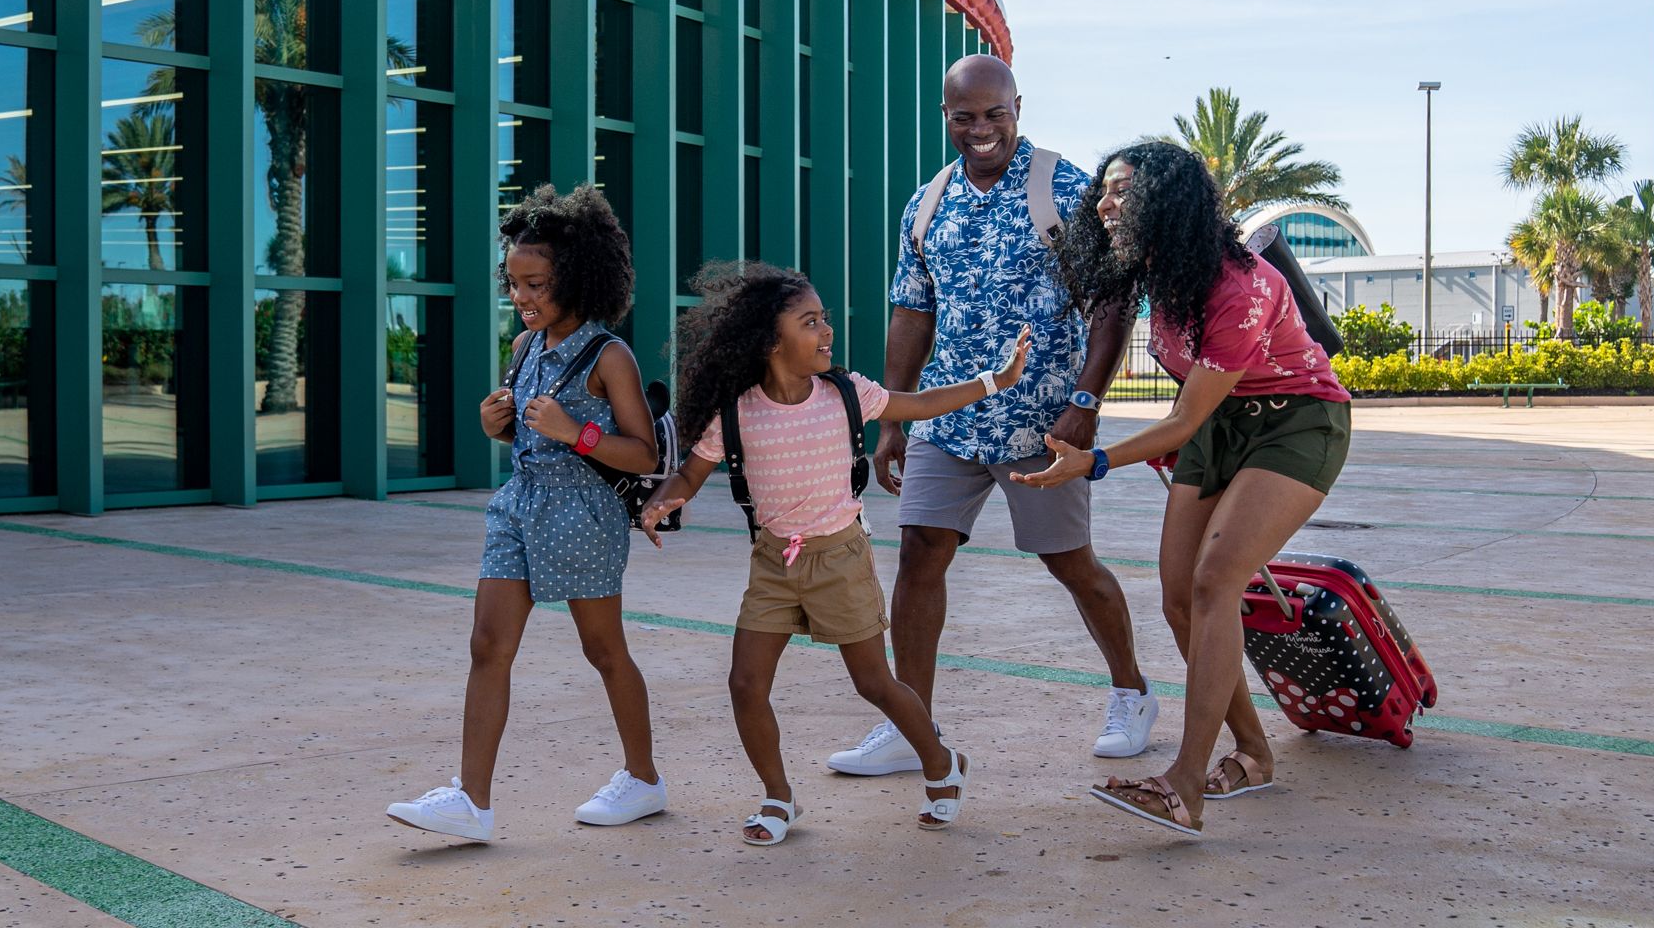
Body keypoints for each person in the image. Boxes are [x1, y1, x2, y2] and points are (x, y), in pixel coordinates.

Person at [1013, 141, 1354, 839]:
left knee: (1214, 583)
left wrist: (1095, 461)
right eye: (1104, 193)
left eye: (1121, 193)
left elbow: (1180, 418)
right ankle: (1254, 753)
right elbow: (1193, 409)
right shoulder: (1154, 272)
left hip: (1297, 424)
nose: (1104, 205)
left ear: (1166, 204)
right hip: (1221, 428)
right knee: (1177, 599)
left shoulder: (1242, 285)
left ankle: (1185, 784)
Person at [830, 54, 1154, 781]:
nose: (981, 130)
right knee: (919, 552)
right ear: (944, 116)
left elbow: (1111, 304)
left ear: (1018, 107)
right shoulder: (927, 203)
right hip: (951, 414)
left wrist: (1085, 402)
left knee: (1068, 563)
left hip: (1043, 421)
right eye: (964, 117)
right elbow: (911, 313)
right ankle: (911, 723)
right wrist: (890, 420)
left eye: (994, 114)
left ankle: (1132, 690)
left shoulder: (1065, 189)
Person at [638, 262, 1032, 844]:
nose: (827, 332)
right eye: (811, 322)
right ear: (771, 341)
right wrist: (658, 503)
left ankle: (942, 764)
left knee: (874, 683)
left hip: (842, 560)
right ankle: (778, 797)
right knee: (745, 684)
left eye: (825, 319)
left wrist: (995, 379)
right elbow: (690, 476)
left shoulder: (848, 394)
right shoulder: (736, 412)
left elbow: (919, 404)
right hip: (774, 564)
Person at [385, 185, 669, 844]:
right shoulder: (523, 349)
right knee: (488, 645)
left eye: (535, 284)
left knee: (603, 650)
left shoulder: (609, 356)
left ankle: (643, 778)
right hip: (518, 504)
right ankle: (470, 803)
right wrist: (500, 429)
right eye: (513, 285)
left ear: (575, 276)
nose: (522, 298)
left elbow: (643, 452)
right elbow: (532, 434)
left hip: (583, 513)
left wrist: (577, 432)